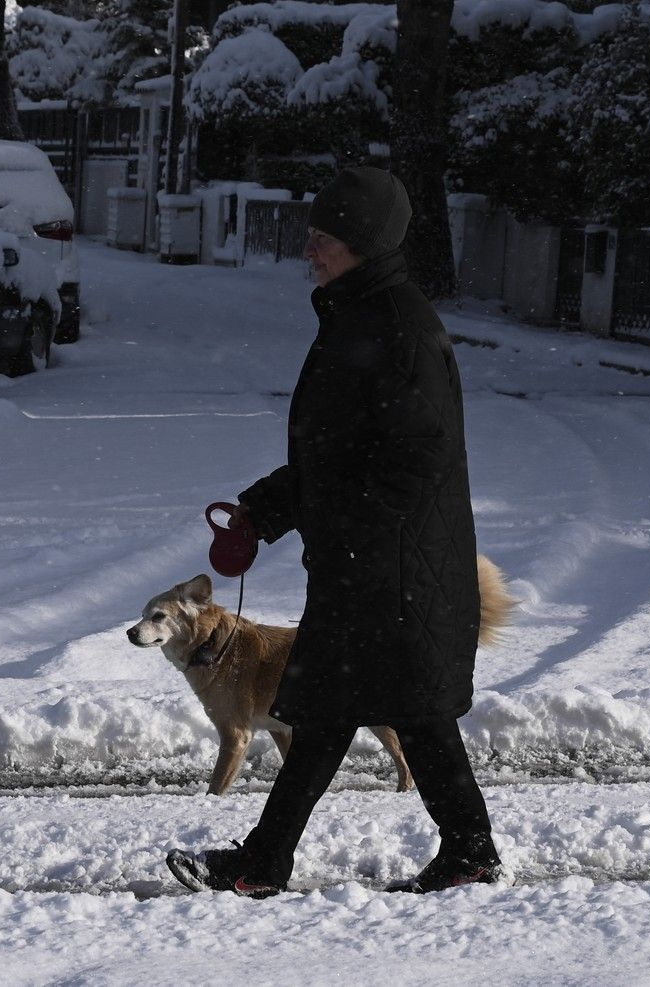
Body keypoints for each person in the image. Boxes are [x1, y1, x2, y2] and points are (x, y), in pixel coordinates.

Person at [166, 166, 501, 897]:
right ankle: (459, 852)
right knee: (353, 712)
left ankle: (268, 863)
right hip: (374, 569)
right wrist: (262, 513)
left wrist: (347, 536)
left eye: (323, 239)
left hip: (396, 573)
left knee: (358, 712)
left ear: (364, 243)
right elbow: (335, 455)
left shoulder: (400, 328)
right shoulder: (357, 316)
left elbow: (414, 461)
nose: (308, 251)